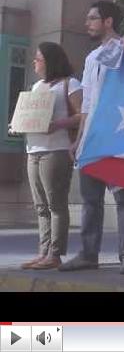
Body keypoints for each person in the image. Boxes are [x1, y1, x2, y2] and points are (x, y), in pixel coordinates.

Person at [59, 1, 124, 275]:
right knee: (90, 200)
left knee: (123, 198)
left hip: (117, 136)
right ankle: (88, 254)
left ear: (108, 21)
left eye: (93, 18)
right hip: (92, 137)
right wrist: (78, 139)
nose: (87, 23)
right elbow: (87, 104)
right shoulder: (92, 58)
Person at [18, 42, 82, 270]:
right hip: (33, 150)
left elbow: (81, 116)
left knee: (56, 204)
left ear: (50, 61)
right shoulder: (36, 88)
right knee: (40, 206)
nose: (34, 62)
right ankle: (43, 252)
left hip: (56, 150)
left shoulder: (69, 84)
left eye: (38, 59)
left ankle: (55, 254)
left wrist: (57, 124)